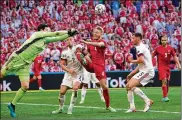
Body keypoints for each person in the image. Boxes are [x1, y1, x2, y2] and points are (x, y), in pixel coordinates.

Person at [0, 24, 78, 118]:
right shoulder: (37, 35)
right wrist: (69, 31)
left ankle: (12, 105)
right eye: (47, 29)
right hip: (18, 58)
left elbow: (57, 38)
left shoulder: (45, 40)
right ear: (42, 30)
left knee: (25, 86)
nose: (49, 31)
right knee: (1, 75)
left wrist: (70, 35)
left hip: (26, 64)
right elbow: (56, 33)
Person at [76, 26, 116, 112]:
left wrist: (88, 42)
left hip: (100, 67)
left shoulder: (102, 42)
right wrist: (85, 55)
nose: (95, 33)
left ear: (101, 34)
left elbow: (98, 45)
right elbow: (89, 55)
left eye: (97, 32)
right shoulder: (89, 44)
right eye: (94, 32)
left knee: (104, 86)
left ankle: (108, 106)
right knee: (79, 54)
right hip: (92, 65)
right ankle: (79, 60)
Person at [51, 39, 83, 115]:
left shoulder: (79, 49)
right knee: (62, 92)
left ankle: (70, 109)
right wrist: (69, 70)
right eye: (67, 40)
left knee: (75, 88)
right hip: (68, 74)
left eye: (70, 39)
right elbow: (61, 64)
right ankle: (60, 108)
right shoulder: (65, 52)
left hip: (78, 74)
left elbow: (87, 56)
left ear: (74, 41)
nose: (69, 41)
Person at [125, 33, 154, 113]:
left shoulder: (140, 48)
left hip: (147, 71)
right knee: (128, 86)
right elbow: (141, 63)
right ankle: (132, 107)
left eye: (133, 38)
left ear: (138, 38)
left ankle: (147, 101)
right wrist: (132, 73)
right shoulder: (141, 47)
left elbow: (141, 60)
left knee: (130, 85)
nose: (132, 40)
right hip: (144, 70)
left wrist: (131, 61)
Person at [152, 35, 181, 102]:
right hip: (161, 67)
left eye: (165, 40)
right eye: (162, 40)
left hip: (168, 67)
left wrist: (178, 64)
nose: (164, 41)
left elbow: (175, 56)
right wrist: (150, 64)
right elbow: (152, 56)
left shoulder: (170, 48)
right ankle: (165, 97)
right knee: (164, 80)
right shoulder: (158, 48)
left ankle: (164, 96)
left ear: (167, 41)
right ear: (160, 41)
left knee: (167, 82)